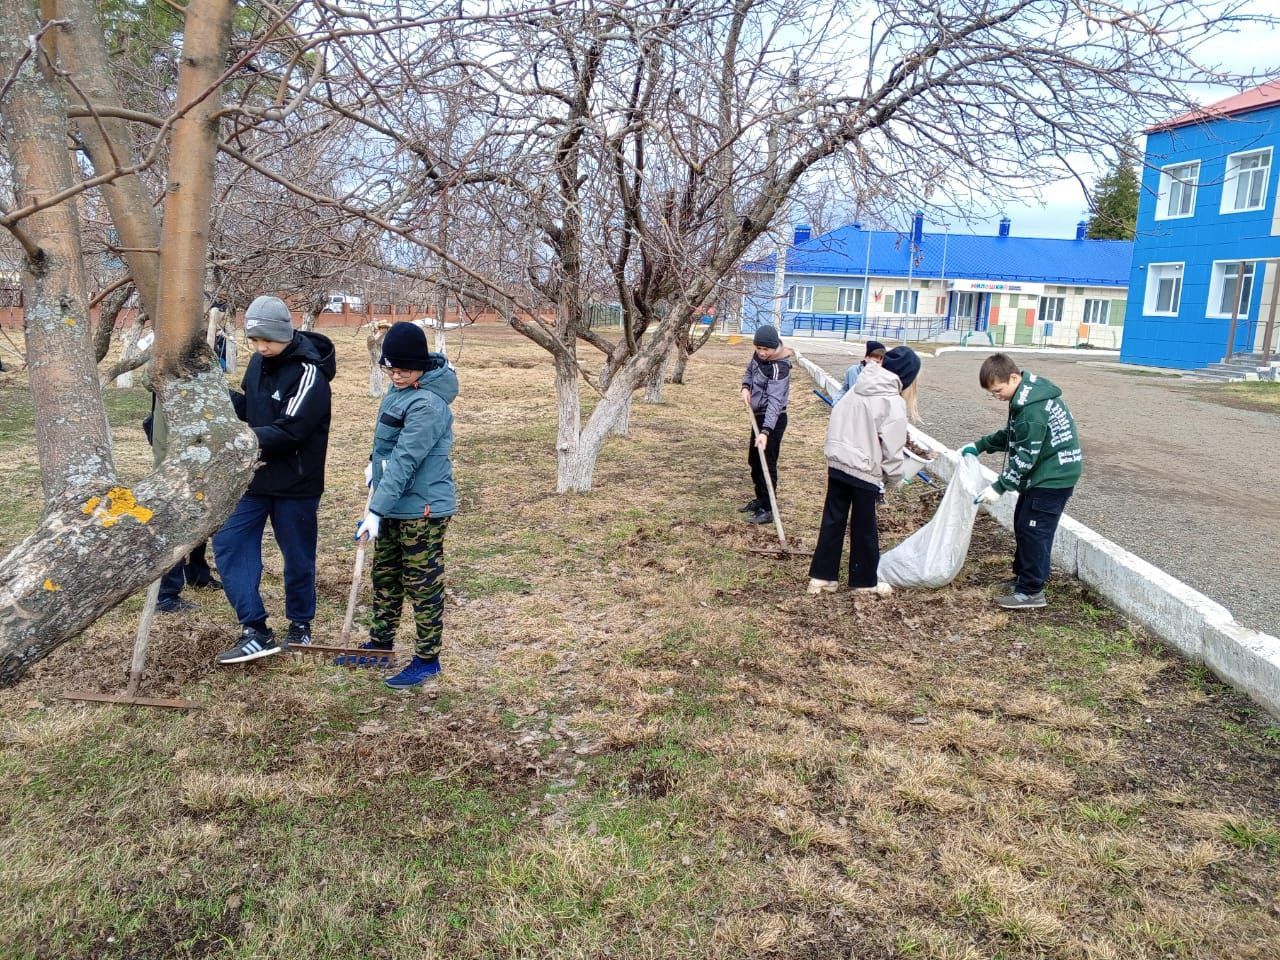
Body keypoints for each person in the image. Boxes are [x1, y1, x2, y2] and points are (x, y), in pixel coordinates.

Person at [213, 296, 335, 664]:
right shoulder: (257, 363)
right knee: (230, 543)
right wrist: (213, 395)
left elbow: (292, 429)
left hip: (296, 484)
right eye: (254, 340)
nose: (261, 347)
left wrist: (244, 439)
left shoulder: (309, 373)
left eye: (268, 340)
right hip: (254, 478)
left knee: (297, 557)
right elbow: (250, 408)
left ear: (285, 333)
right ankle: (255, 630)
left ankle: (300, 623)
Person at [347, 321, 458, 689]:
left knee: (422, 584)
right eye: (391, 369)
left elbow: (406, 460)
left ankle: (427, 659)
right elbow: (386, 445)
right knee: (386, 576)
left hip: (422, 508)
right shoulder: (398, 391)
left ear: (422, 367)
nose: (396, 376)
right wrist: (372, 466)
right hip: (393, 501)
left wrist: (374, 512)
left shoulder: (428, 403)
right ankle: (380, 644)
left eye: (404, 370)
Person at [959, 353, 1082, 610]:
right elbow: (1013, 435)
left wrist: (998, 487)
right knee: (1024, 524)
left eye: (998, 390)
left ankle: (1032, 591)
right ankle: (1023, 578)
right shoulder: (1026, 396)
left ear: (1014, 377)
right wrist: (980, 445)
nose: (997, 396)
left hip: (1053, 478)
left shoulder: (1031, 409)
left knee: (1034, 530)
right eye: (991, 393)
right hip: (1042, 476)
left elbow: (1025, 458)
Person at [807, 346, 921, 596]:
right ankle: (864, 582)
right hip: (865, 468)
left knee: (833, 519)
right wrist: (894, 479)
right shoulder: (892, 401)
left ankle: (821, 578)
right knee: (864, 525)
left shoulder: (859, 386)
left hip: (838, 461)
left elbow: (837, 415)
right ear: (908, 377)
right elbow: (893, 450)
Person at [143, 400, 220, 614]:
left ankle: (197, 575)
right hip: (175, 470)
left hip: (194, 465)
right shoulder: (172, 387)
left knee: (199, 516)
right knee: (175, 526)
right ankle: (166, 594)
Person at [739, 324, 792, 525]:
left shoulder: (780, 367)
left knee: (766, 464)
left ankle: (768, 509)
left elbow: (775, 402)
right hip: (758, 415)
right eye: (758, 348)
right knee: (754, 460)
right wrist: (745, 387)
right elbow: (749, 372)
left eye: (765, 349)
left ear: (774, 347)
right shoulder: (758, 356)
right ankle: (760, 499)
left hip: (774, 420)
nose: (761, 353)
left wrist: (766, 431)